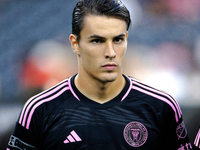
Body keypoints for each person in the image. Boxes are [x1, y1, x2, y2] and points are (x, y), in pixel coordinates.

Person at [7, 0, 192, 149]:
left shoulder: (162, 106)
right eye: (97, 40)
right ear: (75, 43)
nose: (110, 51)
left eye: (118, 39)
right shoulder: (39, 109)